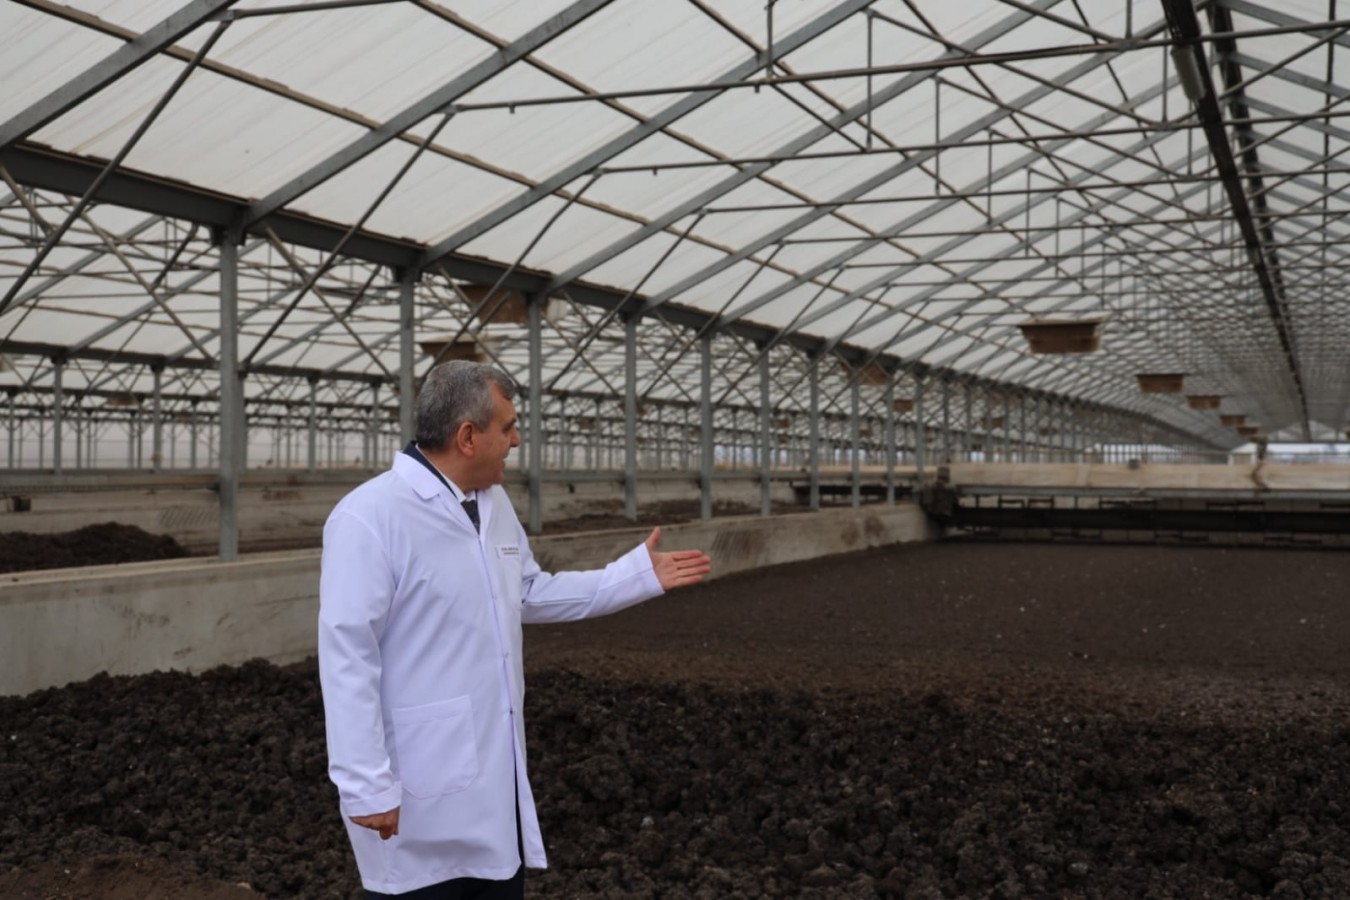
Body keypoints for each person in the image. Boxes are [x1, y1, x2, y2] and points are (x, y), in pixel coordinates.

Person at [318, 360, 711, 899]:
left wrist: (633, 577)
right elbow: (348, 655)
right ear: (467, 437)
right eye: (508, 428)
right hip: (412, 795)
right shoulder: (369, 517)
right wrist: (365, 784)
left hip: (493, 789)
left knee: (497, 880)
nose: (517, 440)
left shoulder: (492, 503)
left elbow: (524, 590)